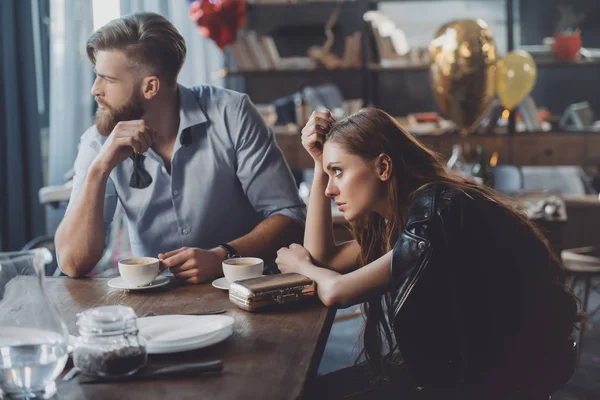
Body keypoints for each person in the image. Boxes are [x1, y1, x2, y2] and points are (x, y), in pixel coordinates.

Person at [276, 108, 579, 399]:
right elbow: (325, 259)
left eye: (338, 172)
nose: (329, 190)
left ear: (383, 167)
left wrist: (301, 265)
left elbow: (337, 291)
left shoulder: (435, 217)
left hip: (491, 379)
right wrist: (319, 165)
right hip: (460, 368)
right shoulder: (407, 214)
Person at [55, 12, 305, 283]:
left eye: (108, 79)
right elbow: (72, 263)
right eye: (96, 76)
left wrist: (224, 256)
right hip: (152, 302)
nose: (95, 89)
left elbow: (289, 216)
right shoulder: (98, 142)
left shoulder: (231, 114)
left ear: (150, 86)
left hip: (242, 289)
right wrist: (100, 168)